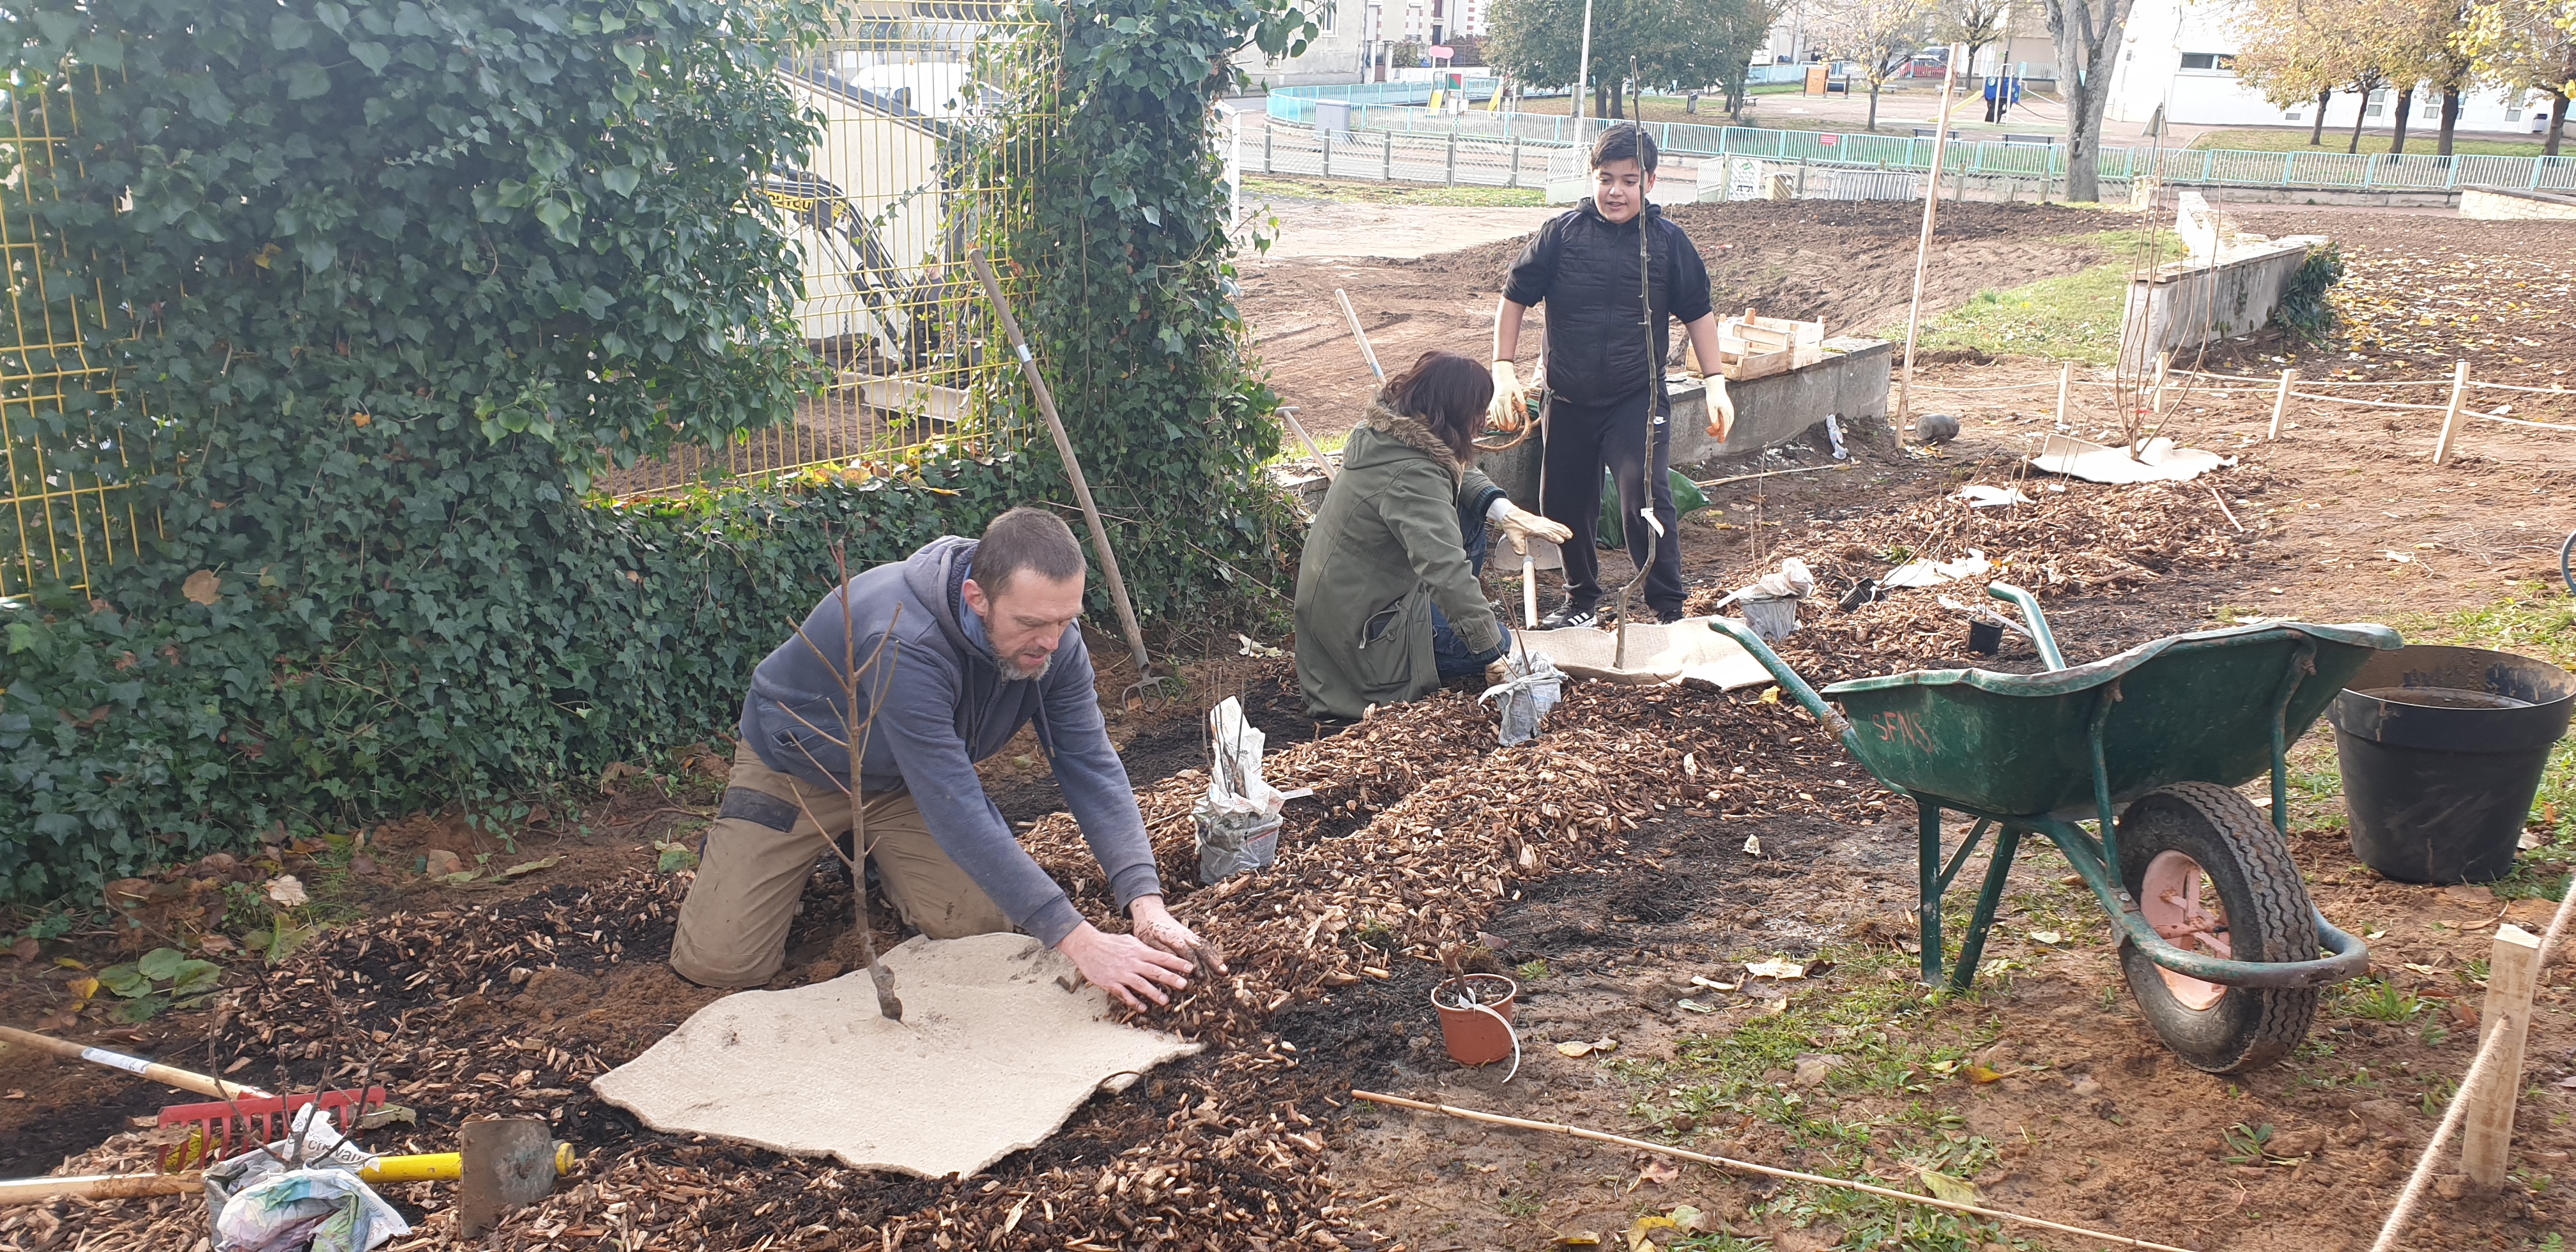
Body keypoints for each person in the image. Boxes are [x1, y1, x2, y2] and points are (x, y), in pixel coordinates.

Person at [670, 507, 1220, 1011]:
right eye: (1031, 624)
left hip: (908, 785)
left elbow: (1090, 764)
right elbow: (955, 806)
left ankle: (878, 856)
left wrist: (1145, 904)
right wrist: (1083, 943)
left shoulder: (1056, 641)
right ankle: (764, 842)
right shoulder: (904, 640)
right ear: (978, 598)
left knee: (985, 926)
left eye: (1064, 620)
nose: (1051, 642)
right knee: (721, 965)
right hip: (801, 771)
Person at [1490, 123, 1727, 630]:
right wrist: (1503, 369)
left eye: (1629, 180)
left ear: (1651, 182)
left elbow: (1699, 313)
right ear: (1592, 178)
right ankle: (1580, 601)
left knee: (1644, 493)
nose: (1615, 191)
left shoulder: (1667, 243)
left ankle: (1668, 610)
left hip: (1635, 398)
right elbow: (1514, 296)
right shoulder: (1561, 235)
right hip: (1568, 398)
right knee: (1564, 502)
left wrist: (1715, 382)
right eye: (1605, 178)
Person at [1294, 350, 1570, 721]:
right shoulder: (1411, 476)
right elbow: (1445, 569)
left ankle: (1447, 621)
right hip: (1365, 641)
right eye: (1478, 409)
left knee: (1470, 510)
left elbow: (1449, 464)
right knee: (1506, 645)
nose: (1484, 418)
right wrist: (1491, 651)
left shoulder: (1386, 434)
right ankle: (1447, 634)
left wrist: (1506, 511)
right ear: (1453, 412)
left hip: (1347, 613)